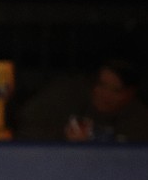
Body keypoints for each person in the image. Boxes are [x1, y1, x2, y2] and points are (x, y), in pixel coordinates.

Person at [16, 57, 148, 143]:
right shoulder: (67, 97)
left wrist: (92, 140)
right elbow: (28, 125)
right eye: (102, 85)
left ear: (131, 93)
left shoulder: (139, 119)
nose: (105, 94)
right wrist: (64, 137)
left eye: (116, 91)